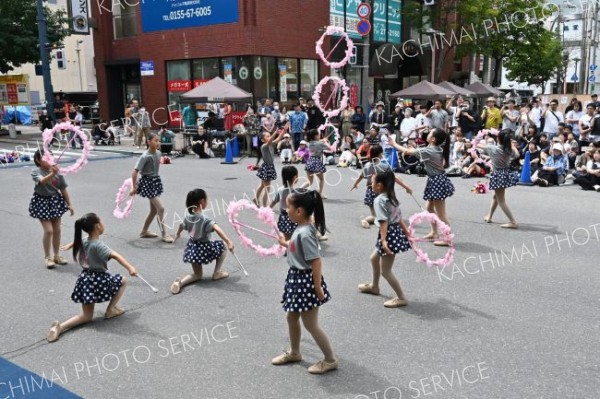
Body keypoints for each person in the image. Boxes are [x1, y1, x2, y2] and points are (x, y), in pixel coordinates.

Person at [273, 190, 337, 375]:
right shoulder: (300, 229)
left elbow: (315, 260)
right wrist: (284, 243)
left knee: (310, 324)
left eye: (288, 207)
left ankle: (330, 360)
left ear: (299, 211)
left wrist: (317, 287)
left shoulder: (305, 233)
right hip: (296, 279)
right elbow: (296, 247)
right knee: (291, 317)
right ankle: (294, 352)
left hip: (305, 281)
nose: (285, 210)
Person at [47, 213, 137, 342]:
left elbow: (78, 240)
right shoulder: (98, 245)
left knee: (86, 316)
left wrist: (70, 245)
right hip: (99, 280)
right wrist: (130, 267)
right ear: (97, 226)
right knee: (123, 280)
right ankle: (110, 309)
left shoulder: (85, 240)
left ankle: (60, 327)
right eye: (102, 221)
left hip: (85, 280)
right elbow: (116, 255)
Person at [358, 170, 412, 308]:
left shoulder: (379, 200)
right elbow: (398, 217)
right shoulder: (391, 196)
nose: (371, 184)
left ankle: (401, 297)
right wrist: (406, 231)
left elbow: (383, 221)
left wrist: (383, 240)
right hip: (393, 232)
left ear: (380, 185)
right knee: (373, 258)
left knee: (386, 271)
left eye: (373, 182)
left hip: (388, 235)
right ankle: (374, 286)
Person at [391, 128, 454, 246]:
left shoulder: (430, 151)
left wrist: (394, 144)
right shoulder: (434, 148)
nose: (427, 133)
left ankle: (447, 238)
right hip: (436, 180)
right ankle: (434, 232)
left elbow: (408, 152)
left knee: (441, 214)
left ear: (433, 139)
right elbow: (414, 150)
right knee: (429, 209)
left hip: (437, 181)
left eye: (430, 133)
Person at [171, 189, 234, 294]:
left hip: (192, 249)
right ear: (202, 201)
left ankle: (180, 283)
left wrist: (177, 234)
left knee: (197, 275)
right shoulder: (204, 218)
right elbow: (217, 228)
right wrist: (228, 241)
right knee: (222, 246)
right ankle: (217, 272)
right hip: (204, 248)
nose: (207, 202)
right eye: (206, 200)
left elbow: (181, 225)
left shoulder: (188, 216)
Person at [29, 149, 75, 268]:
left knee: (57, 230)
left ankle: (56, 255)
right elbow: (42, 181)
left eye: (50, 156)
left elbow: (63, 189)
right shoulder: (35, 171)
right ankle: (47, 257)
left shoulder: (58, 173)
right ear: (38, 160)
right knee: (48, 230)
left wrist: (69, 204)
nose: (49, 159)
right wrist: (53, 173)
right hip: (41, 202)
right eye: (45, 157)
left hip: (55, 201)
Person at [351, 145, 412, 229]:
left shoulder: (367, 165)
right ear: (380, 154)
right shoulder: (384, 166)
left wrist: (355, 184)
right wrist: (406, 187)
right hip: (380, 192)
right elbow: (394, 178)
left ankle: (365, 219)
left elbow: (361, 176)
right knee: (386, 214)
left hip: (370, 191)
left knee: (374, 215)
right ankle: (370, 220)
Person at [130, 134, 174, 242]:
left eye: (159, 141)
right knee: (161, 208)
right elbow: (135, 172)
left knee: (154, 210)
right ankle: (164, 234)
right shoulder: (145, 156)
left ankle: (144, 231)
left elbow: (157, 163)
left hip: (155, 181)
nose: (158, 143)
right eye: (155, 141)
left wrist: (166, 161)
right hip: (147, 183)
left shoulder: (159, 153)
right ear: (149, 142)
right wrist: (134, 187)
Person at [478, 130, 520, 228]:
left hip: (498, 175)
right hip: (505, 174)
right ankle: (489, 216)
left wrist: (476, 139)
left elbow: (479, 145)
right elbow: (517, 155)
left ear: (498, 139)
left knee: (501, 200)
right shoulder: (509, 150)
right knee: (495, 197)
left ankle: (513, 222)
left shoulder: (493, 149)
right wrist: (512, 145)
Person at [254, 128, 284, 206]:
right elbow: (271, 140)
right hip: (267, 167)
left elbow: (279, 138)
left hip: (269, 167)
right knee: (267, 189)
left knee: (262, 186)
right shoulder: (264, 146)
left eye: (269, 135)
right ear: (262, 140)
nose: (269, 137)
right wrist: (276, 131)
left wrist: (284, 130)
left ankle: (256, 199)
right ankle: (265, 207)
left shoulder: (271, 144)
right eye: (267, 136)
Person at [270, 166, 300, 239]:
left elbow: (273, 202)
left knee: (286, 238)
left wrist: (267, 210)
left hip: (283, 218)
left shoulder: (280, 190)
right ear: (294, 177)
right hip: (294, 217)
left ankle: (287, 248)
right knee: (295, 237)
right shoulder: (296, 192)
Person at [304, 129, 330, 198]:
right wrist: (325, 141)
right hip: (316, 162)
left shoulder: (309, 143)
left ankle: (298, 190)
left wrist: (322, 141)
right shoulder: (320, 143)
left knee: (309, 181)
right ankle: (320, 194)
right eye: (318, 135)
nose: (319, 136)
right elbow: (329, 148)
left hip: (310, 161)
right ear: (315, 136)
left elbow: (317, 143)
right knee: (321, 179)